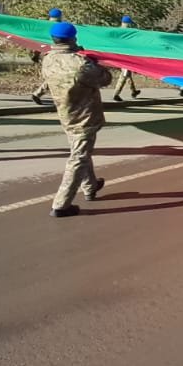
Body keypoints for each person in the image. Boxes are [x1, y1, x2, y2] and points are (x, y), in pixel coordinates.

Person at [41, 21, 112, 218]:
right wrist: (96, 63)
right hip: (84, 117)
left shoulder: (47, 58)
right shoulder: (81, 64)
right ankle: (61, 204)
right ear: (73, 38)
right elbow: (105, 79)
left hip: (66, 114)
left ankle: (90, 186)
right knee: (78, 157)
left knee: (80, 151)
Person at [30, 8, 65, 105]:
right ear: (60, 16)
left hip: (47, 56)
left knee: (54, 76)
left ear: (49, 16)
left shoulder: (44, 27)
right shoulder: (62, 27)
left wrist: (36, 55)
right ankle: (39, 94)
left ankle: (38, 94)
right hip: (60, 54)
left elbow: (39, 43)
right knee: (58, 76)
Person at [112, 15, 143, 102]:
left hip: (120, 55)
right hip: (124, 56)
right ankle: (116, 94)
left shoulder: (117, 31)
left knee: (128, 74)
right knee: (124, 75)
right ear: (128, 24)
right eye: (130, 24)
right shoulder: (127, 33)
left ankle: (134, 91)